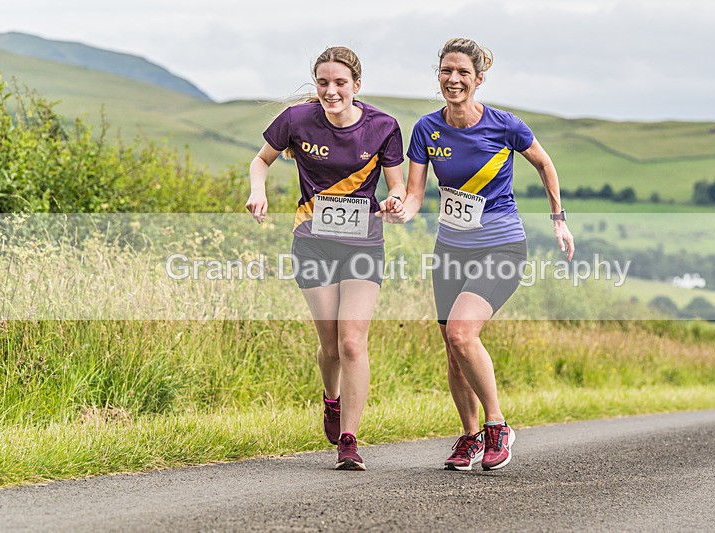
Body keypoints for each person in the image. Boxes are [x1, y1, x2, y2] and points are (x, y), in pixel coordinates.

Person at [399, 37, 574, 471]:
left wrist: (558, 218)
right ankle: (469, 437)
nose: (453, 79)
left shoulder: (504, 125)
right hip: (450, 250)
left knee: (461, 333)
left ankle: (498, 426)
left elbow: (545, 164)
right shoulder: (426, 129)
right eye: (446, 71)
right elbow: (417, 195)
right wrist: (398, 211)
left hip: (502, 245)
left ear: (479, 78)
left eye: (462, 72)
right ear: (437, 75)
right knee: (453, 352)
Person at [245, 46, 406, 471]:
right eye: (323, 83)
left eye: (339, 83)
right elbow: (261, 162)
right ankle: (330, 399)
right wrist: (257, 190)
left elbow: (397, 187)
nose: (331, 91)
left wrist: (393, 202)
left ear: (357, 85)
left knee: (353, 341)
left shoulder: (384, 127)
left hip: (363, 243)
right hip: (312, 240)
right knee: (331, 344)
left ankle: (349, 441)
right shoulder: (297, 120)